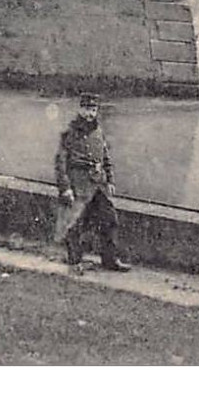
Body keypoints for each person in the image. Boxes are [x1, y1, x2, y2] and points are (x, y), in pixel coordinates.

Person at [53, 94, 131, 271]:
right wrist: (65, 188)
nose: (90, 113)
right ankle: (75, 262)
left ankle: (109, 260)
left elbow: (105, 158)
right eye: (87, 109)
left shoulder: (98, 132)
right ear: (80, 109)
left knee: (110, 219)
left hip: (98, 186)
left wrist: (109, 179)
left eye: (93, 110)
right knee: (75, 224)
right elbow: (60, 164)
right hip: (78, 186)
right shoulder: (69, 134)